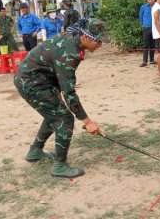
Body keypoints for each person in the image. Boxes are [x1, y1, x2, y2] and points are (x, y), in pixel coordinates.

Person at [13, 17, 107, 178]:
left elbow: (56, 72)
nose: (100, 45)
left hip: (37, 80)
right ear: (85, 37)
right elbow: (69, 92)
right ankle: (59, 166)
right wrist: (88, 121)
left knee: (55, 113)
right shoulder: (70, 52)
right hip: (31, 83)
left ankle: (35, 151)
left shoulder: (73, 41)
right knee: (64, 118)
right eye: (97, 41)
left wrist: (56, 94)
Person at [139, 0, 157, 67]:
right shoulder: (143, 7)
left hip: (155, 28)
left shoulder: (157, 7)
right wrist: (143, 24)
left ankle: (152, 60)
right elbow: (140, 16)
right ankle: (144, 61)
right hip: (146, 28)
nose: (150, 1)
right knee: (146, 45)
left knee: (153, 44)